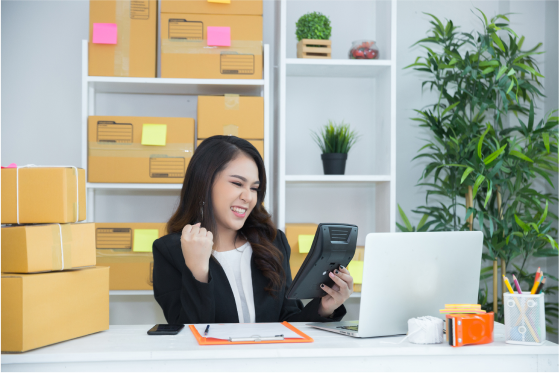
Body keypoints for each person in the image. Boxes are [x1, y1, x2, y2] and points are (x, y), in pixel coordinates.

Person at [153, 135, 353, 324]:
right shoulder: (171, 251)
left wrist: (324, 308)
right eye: (237, 183)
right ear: (203, 183)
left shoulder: (273, 242)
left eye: (254, 188)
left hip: (269, 360)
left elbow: (287, 320)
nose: (248, 197)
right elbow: (185, 334)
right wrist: (198, 272)